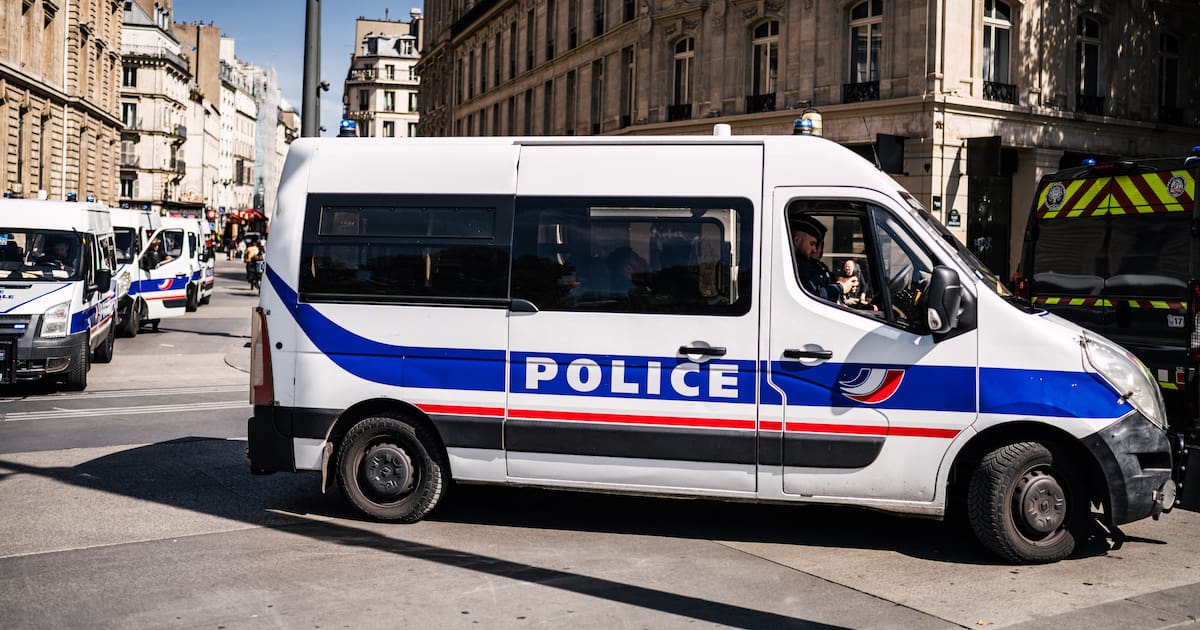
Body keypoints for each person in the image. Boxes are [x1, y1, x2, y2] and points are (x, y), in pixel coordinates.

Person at [791, 214, 840, 302]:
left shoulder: (806, 263)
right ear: (797, 241)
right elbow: (815, 297)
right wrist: (840, 287)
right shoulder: (796, 266)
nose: (815, 249)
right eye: (812, 244)